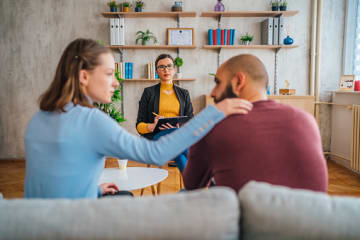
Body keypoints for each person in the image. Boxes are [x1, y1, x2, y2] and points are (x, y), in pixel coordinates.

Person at [24, 38, 253, 199]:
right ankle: (196, 189)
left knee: (122, 196)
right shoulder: (91, 121)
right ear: (84, 77)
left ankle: (192, 186)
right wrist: (215, 112)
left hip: (41, 219)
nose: (115, 82)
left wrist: (93, 189)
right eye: (108, 74)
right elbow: (155, 154)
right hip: (72, 224)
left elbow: (53, 183)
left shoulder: (39, 118)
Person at [182, 54, 328, 193]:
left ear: (238, 82)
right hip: (309, 217)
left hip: (244, 218)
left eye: (218, 83)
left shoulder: (214, 127)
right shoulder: (307, 120)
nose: (213, 93)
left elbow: (192, 185)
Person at [136, 54, 193, 171]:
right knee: (178, 139)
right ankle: (202, 178)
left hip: (176, 139)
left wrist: (181, 125)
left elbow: (191, 120)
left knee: (177, 146)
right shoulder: (148, 92)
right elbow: (139, 125)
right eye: (161, 67)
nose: (165, 69)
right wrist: (152, 126)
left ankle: (191, 186)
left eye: (169, 66)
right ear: (157, 71)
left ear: (174, 69)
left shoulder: (184, 93)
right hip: (156, 138)